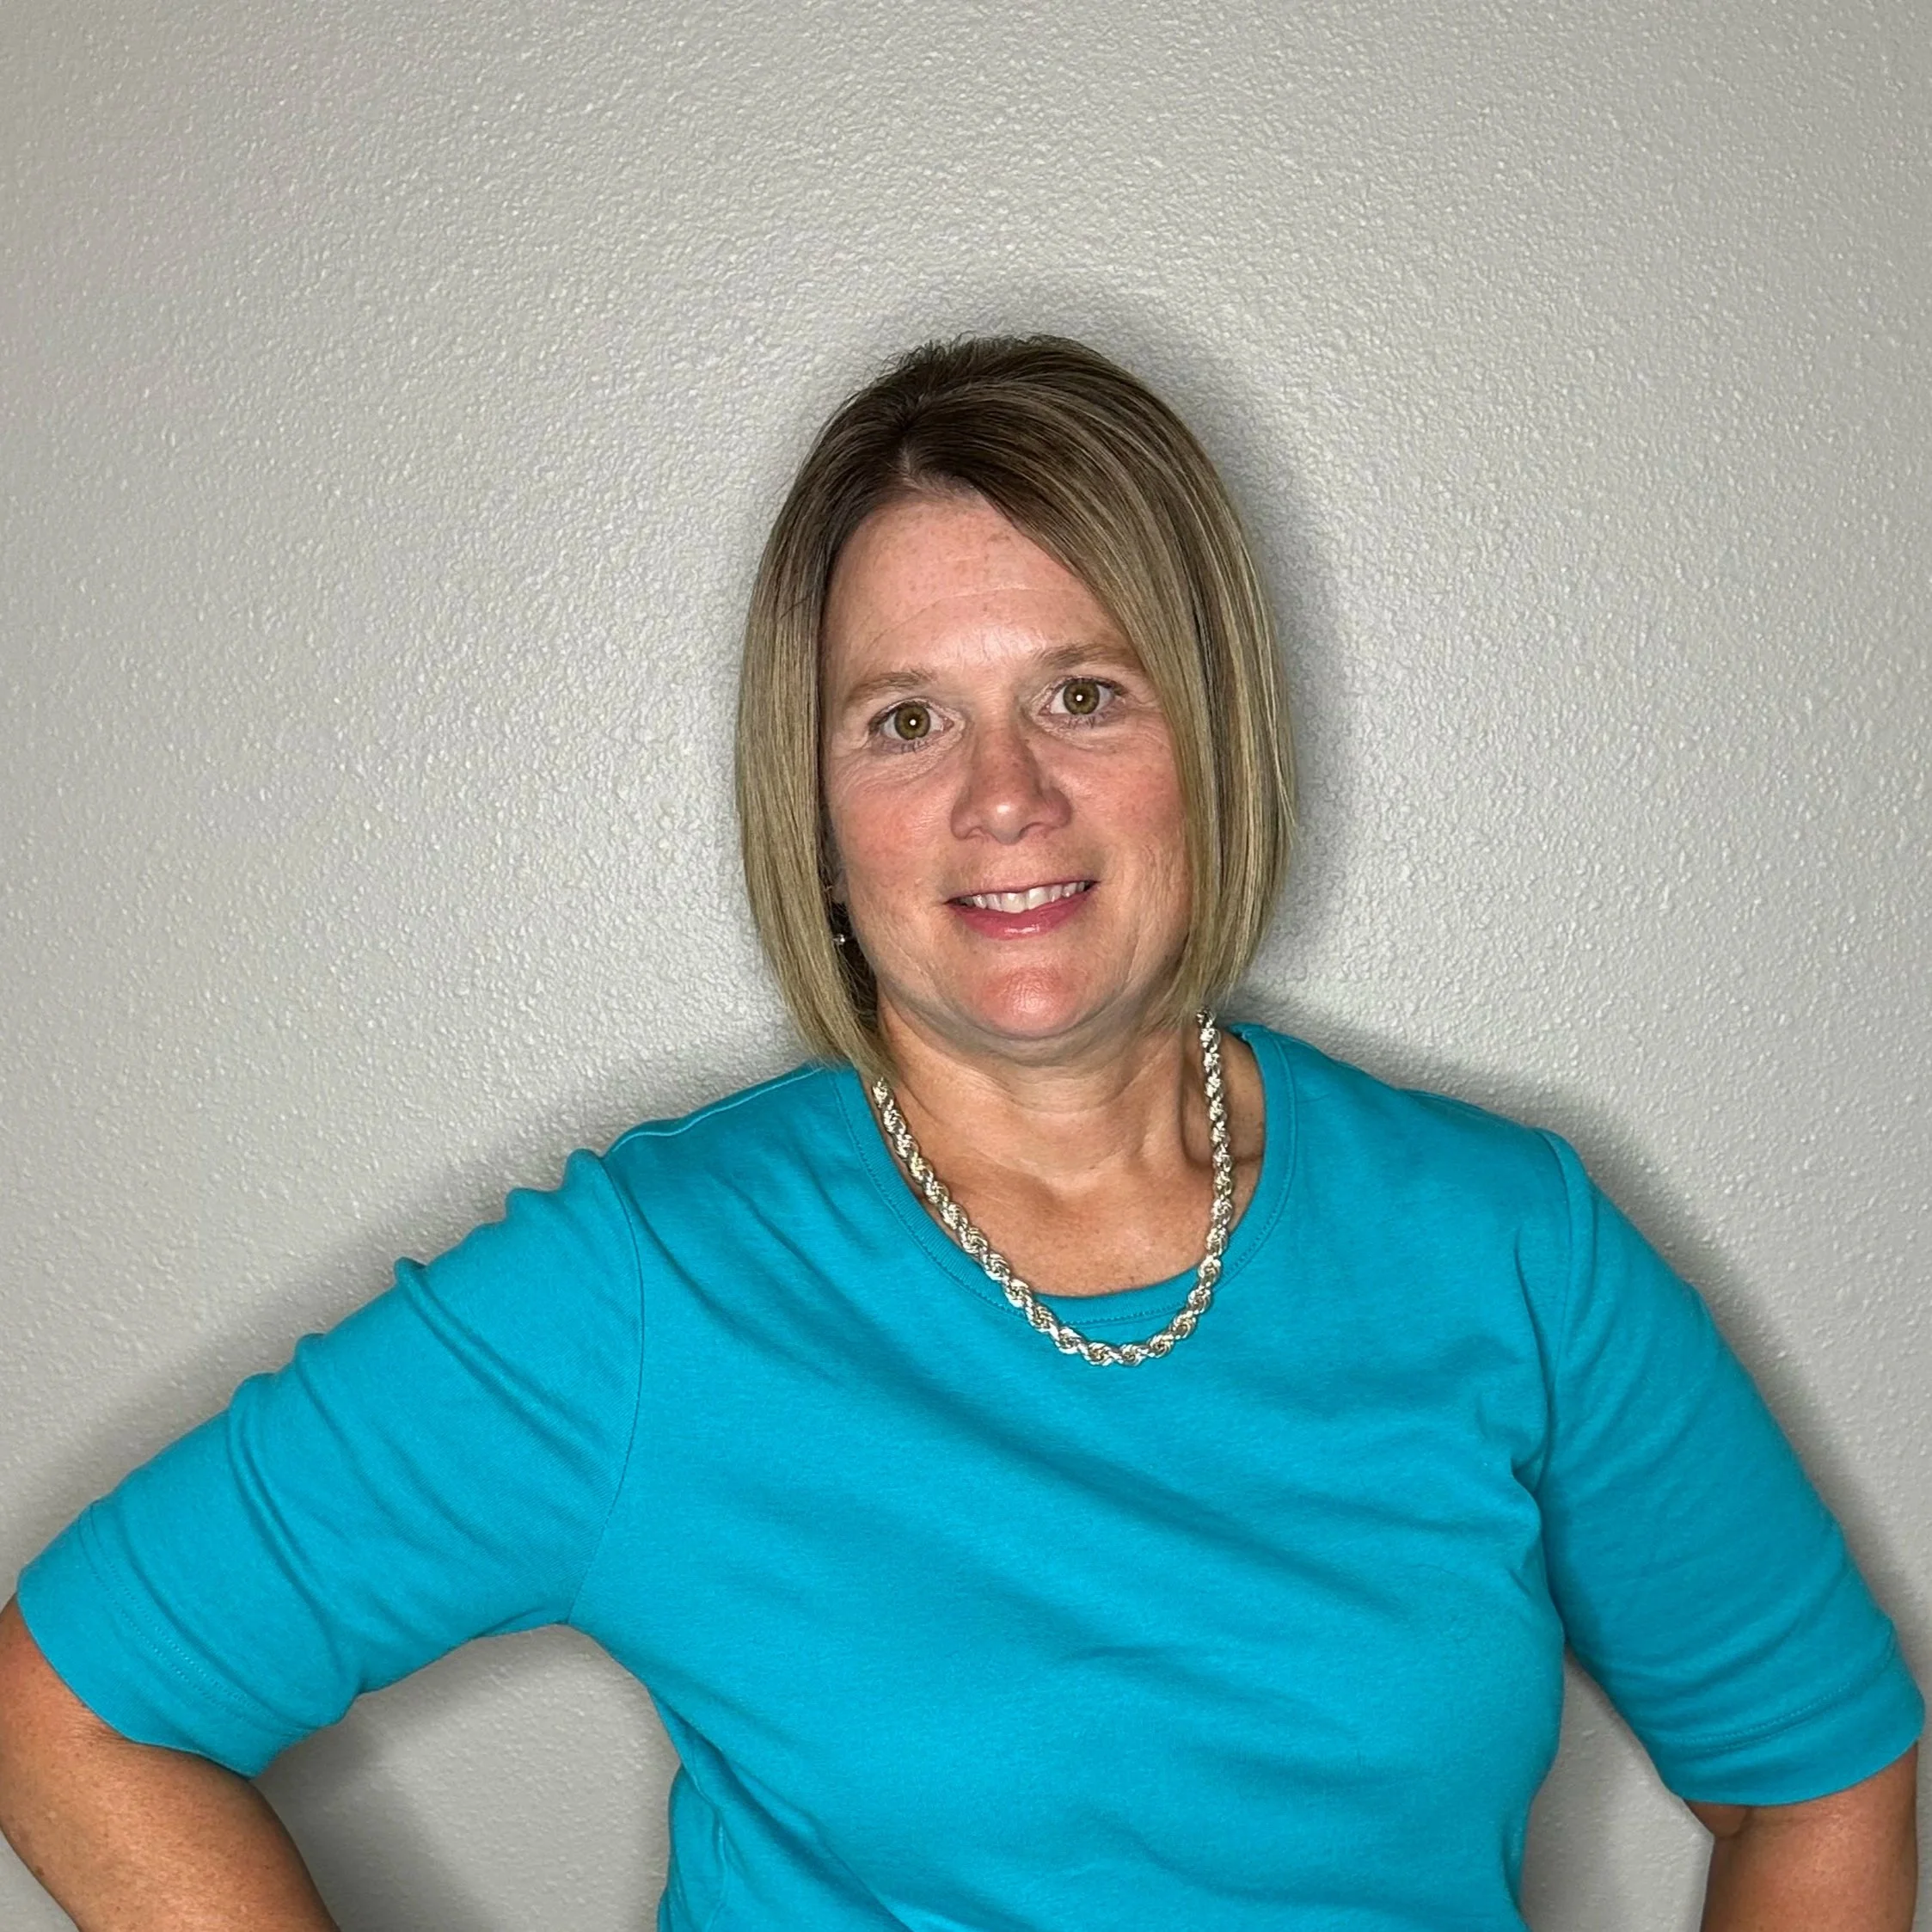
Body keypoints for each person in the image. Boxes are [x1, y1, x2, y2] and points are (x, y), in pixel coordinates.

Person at [0, 334, 1920, 1930]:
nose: (1004, 797)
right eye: (904, 721)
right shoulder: (653, 1290)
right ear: (819, 807)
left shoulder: (1505, 1243)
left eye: (1083, 693)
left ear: (1212, 739)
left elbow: (1825, 1774)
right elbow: (68, 1705)